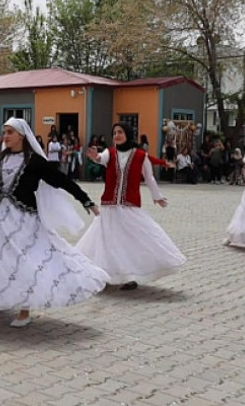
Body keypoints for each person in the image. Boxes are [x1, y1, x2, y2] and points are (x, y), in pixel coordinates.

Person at [0, 118, 107, 327]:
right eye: (4, 132)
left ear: (21, 136)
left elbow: (61, 180)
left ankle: (24, 309)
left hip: (23, 219)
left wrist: (86, 200)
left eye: (10, 132)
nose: (5, 136)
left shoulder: (35, 161)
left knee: (23, 260)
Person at [76, 122, 186, 290]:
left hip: (129, 205)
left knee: (130, 239)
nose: (117, 136)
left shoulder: (140, 155)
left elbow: (149, 177)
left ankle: (131, 276)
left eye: (120, 132)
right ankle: (105, 273)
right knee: (106, 241)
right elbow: (101, 159)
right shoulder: (110, 153)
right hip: (110, 205)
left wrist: (157, 196)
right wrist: (95, 157)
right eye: (114, 133)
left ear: (127, 134)